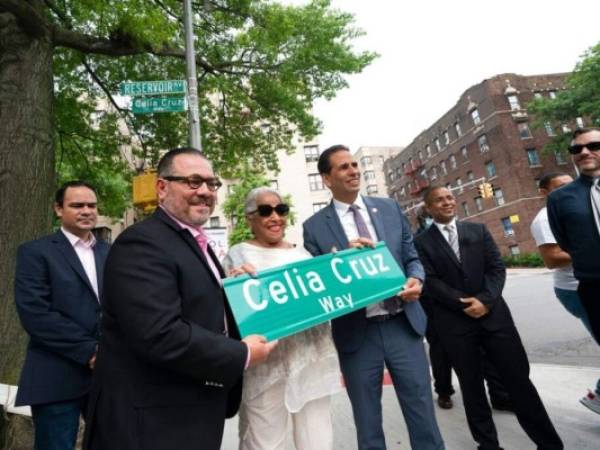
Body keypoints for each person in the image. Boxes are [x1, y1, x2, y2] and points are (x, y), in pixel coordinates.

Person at [83, 148, 276, 450]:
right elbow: (160, 333)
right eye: (193, 182)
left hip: (188, 411)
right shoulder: (142, 242)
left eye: (212, 184)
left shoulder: (195, 242)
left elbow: (195, 304)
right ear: (162, 188)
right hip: (151, 423)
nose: (205, 192)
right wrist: (242, 353)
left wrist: (232, 290)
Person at [303, 145, 444, 450]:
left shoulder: (390, 208)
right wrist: (338, 261)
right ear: (327, 178)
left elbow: (411, 257)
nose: (354, 171)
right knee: (367, 421)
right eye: (344, 167)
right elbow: (318, 285)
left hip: (403, 325)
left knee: (423, 415)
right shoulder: (313, 228)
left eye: (355, 165)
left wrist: (416, 280)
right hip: (357, 334)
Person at [415, 185, 563, 450]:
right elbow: (431, 282)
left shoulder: (478, 231)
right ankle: (488, 444)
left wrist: (485, 300)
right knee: (472, 389)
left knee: (519, 383)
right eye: (439, 200)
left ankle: (549, 443)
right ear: (428, 207)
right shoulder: (421, 242)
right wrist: (463, 304)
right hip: (456, 326)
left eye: (449, 197)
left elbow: (496, 269)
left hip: (495, 320)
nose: (447, 203)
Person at [223, 187, 341, 450]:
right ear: (250, 218)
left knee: (318, 441)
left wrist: (343, 265)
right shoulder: (238, 255)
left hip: (311, 358)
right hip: (265, 366)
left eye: (281, 209)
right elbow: (227, 310)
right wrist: (232, 283)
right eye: (265, 211)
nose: (275, 216)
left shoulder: (304, 255)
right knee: (264, 443)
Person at [14, 180, 109, 450]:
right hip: (55, 374)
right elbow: (35, 313)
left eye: (91, 205)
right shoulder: (35, 252)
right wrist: (90, 351)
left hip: (105, 378)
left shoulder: (110, 253)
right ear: (59, 209)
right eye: (77, 205)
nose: (86, 210)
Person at [547, 128, 600, 413]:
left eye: (593, 145)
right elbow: (566, 240)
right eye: (576, 149)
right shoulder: (560, 198)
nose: (584, 152)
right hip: (594, 285)